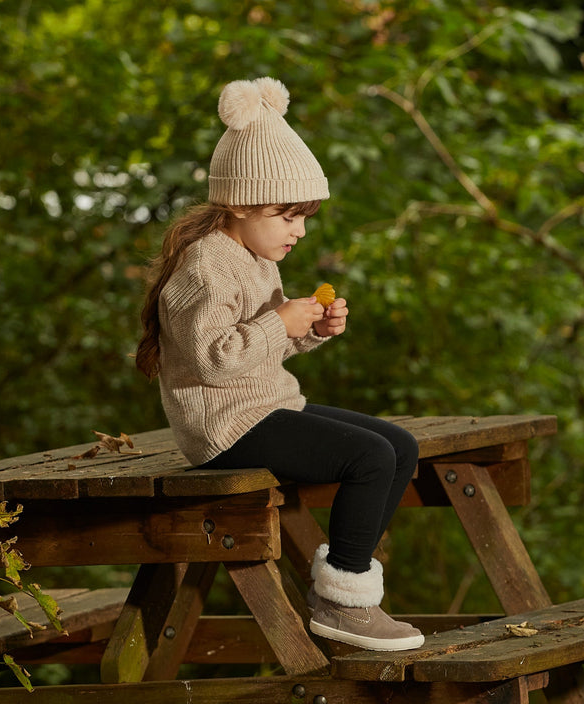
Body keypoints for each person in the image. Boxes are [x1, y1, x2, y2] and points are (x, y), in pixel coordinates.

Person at [136, 76, 423, 652]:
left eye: (305, 215)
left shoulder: (254, 254)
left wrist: (307, 331)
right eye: (287, 214)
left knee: (400, 447)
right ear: (239, 204)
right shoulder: (205, 267)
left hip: (266, 406)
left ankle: (343, 575)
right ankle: (344, 604)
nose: (300, 229)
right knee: (368, 457)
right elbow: (215, 362)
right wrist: (279, 323)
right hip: (224, 427)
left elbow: (260, 346)